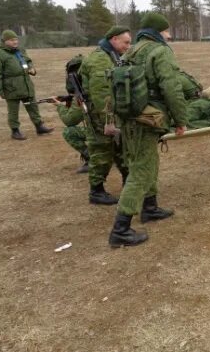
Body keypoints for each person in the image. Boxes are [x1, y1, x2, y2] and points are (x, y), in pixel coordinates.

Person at [108, 13, 187, 248]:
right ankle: (120, 229)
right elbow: (171, 87)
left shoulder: (131, 50)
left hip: (131, 117)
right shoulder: (160, 51)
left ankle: (150, 207)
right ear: (157, 32)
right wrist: (181, 120)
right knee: (142, 169)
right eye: (166, 31)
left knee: (145, 162)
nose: (169, 36)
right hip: (148, 119)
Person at [79, 26, 131, 205]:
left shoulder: (112, 56)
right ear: (114, 39)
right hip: (100, 117)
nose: (128, 46)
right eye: (126, 42)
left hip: (113, 114)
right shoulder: (101, 59)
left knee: (122, 150)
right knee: (102, 153)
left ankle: (129, 183)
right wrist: (109, 121)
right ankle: (96, 191)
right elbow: (102, 95)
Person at [0, 30, 54, 140]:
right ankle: (15, 131)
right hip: (11, 88)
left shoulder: (20, 50)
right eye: (12, 40)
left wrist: (31, 68)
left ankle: (40, 127)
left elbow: (28, 61)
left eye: (16, 39)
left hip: (26, 84)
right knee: (13, 111)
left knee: (33, 106)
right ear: (5, 41)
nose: (15, 42)